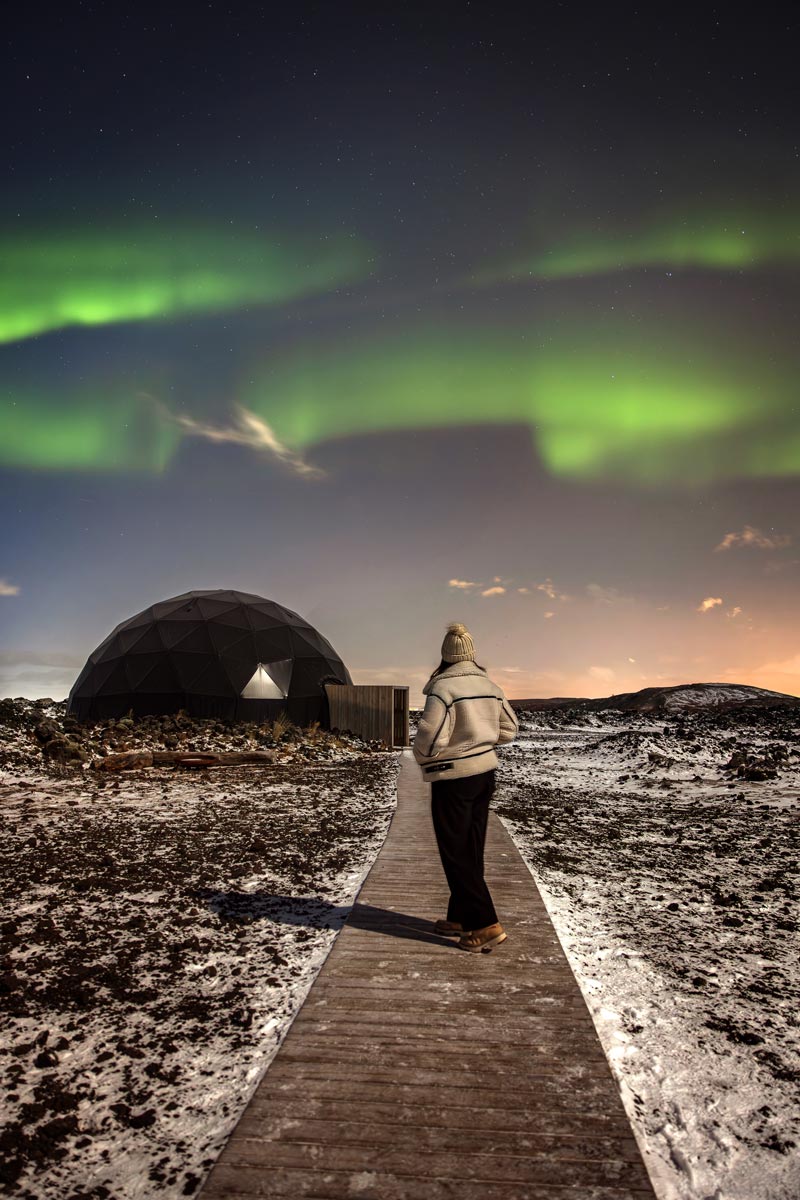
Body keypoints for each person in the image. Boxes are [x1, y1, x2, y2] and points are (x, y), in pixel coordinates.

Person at [412, 621, 519, 952]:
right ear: (472, 654)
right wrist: (479, 742)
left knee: (455, 852)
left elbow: (429, 738)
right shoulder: (490, 685)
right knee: (471, 846)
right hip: (485, 774)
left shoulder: (443, 690)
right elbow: (509, 729)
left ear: (445, 656)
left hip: (453, 777)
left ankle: (484, 924)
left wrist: (427, 755)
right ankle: (460, 915)